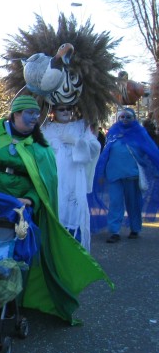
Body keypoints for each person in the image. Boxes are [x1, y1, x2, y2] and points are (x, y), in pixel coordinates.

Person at [0, 95, 112, 324]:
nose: (34, 118)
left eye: (36, 114)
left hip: (18, 208)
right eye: (28, 114)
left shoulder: (40, 147)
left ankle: (11, 299)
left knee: (17, 251)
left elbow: (44, 183)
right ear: (15, 114)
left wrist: (31, 200)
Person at [91, 107, 159, 242]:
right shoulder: (113, 132)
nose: (125, 119)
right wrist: (101, 173)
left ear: (134, 118)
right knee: (115, 203)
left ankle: (135, 228)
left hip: (132, 176)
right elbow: (106, 153)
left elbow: (151, 151)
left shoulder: (140, 133)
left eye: (128, 117)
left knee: (133, 204)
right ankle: (114, 231)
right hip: (114, 175)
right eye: (122, 117)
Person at [42, 104, 101, 251]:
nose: (66, 112)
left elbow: (95, 147)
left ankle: (77, 255)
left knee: (75, 215)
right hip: (54, 179)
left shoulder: (80, 127)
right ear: (53, 111)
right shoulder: (45, 128)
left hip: (75, 179)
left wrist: (77, 142)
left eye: (69, 108)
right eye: (62, 109)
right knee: (56, 213)